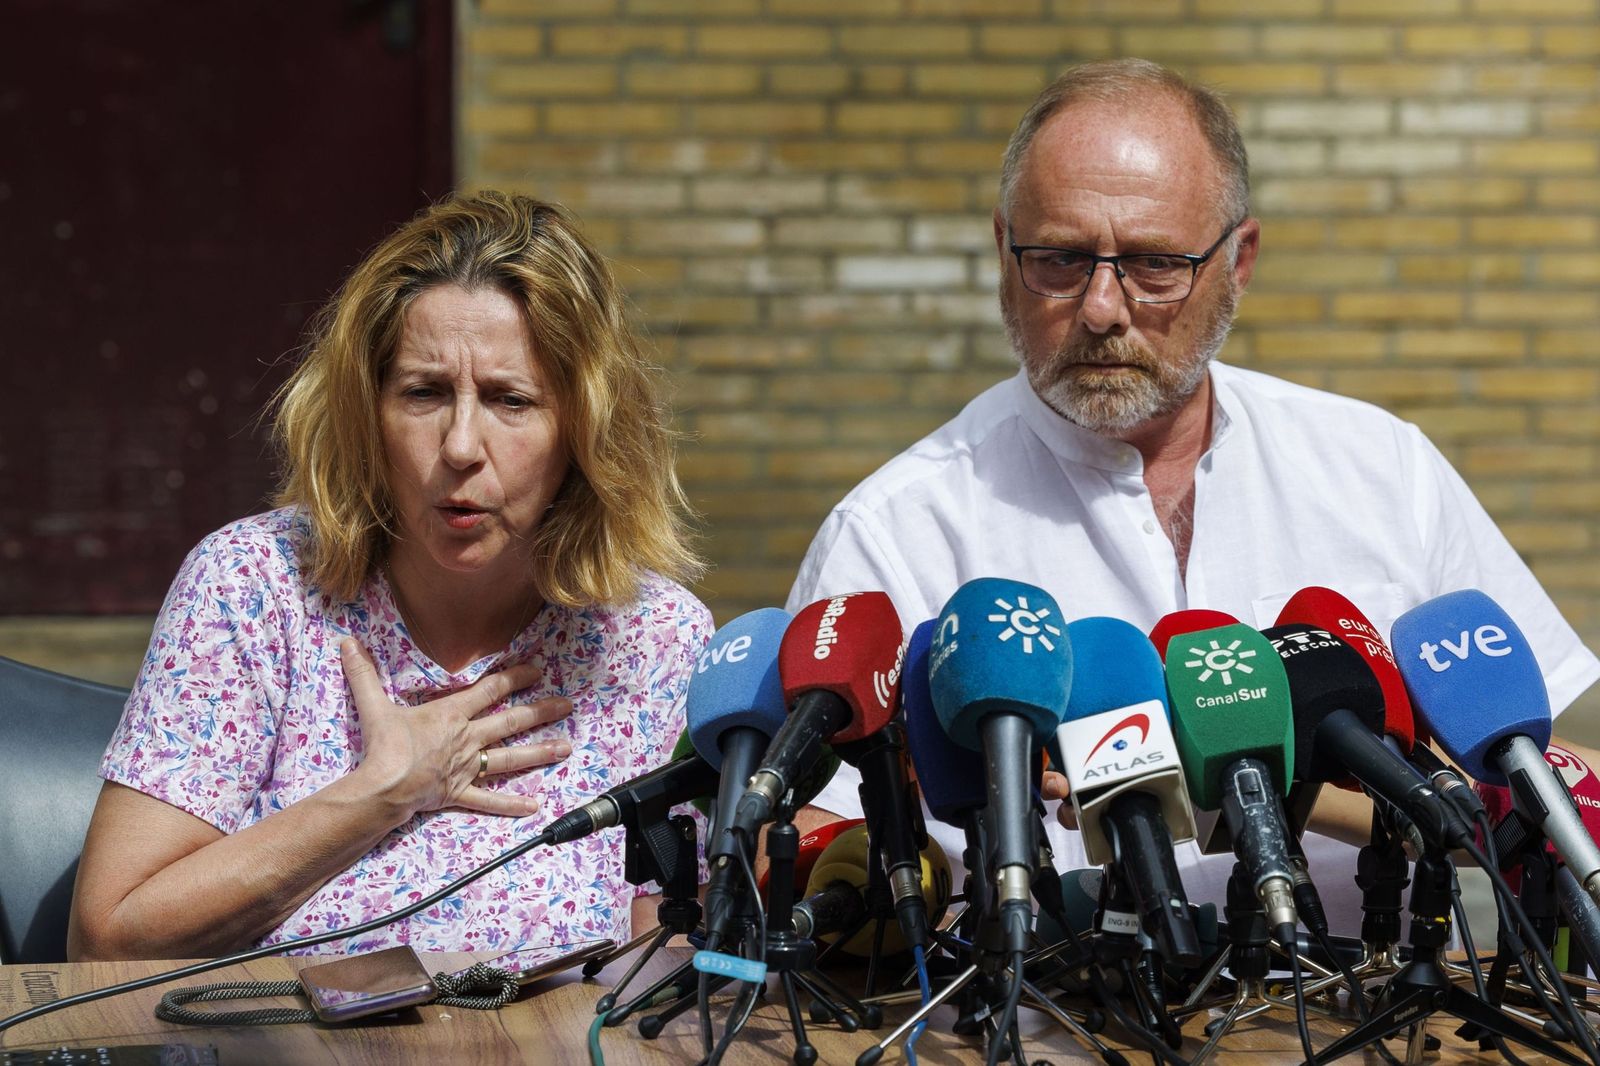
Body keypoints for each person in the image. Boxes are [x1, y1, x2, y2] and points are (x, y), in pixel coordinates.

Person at [786, 59, 1600, 931]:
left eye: (1154, 264)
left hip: (1372, 997)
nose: (1102, 308)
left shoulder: (1381, 467)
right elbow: (803, 848)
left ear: (1239, 261)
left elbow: (1557, 787)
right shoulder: (895, 529)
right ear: (1001, 248)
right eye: (1058, 260)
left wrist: (1281, 775)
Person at [69, 192, 710, 960]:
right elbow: (107, 938)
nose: (461, 446)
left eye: (510, 400)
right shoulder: (252, 586)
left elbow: (665, 962)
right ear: (366, 411)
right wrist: (382, 794)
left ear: (583, 428)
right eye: (423, 393)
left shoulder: (652, 638)